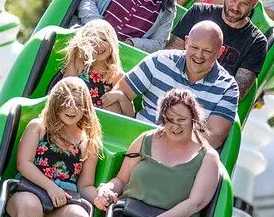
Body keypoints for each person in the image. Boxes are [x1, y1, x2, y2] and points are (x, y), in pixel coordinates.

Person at [91, 89, 221, 217]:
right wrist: (106, 188)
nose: (175, 126)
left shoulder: (208, 157)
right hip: (130, 213)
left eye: (181, 120)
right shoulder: (146, 139)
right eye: (169, 119)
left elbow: (196, 203)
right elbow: (122, 179)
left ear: (193, 119)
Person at [6, 77, 103, 217]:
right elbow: (23, 163)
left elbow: (85, 185)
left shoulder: (88, 142)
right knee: (31, 207)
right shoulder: (39, 127)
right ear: (56, 102)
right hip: (30, 191)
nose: (72, 109)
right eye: (67, 103)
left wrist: (99, 198)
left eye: (78, 104)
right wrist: (50, 187)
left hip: (61, 202)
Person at [101, 22, 239, 149]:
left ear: (220, 52)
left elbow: (214, 137)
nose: (199, 55)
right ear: (186, 42)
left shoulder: (227, 87)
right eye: (194, 47)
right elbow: (118, 94)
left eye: (207, 51)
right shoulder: (160, 60)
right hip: (136, 139)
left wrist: (168, 150)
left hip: (181, 154)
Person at [166, 0, 267, 98]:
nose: (235, 7)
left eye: (244, 3)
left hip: (210, 100)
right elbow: (169, 57)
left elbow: (237, 92)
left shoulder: (257, 42)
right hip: (174, 85)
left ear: (254, 3)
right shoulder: (198, 12)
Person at [54, 19, 133, 116]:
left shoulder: (116, 74)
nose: (99, 45)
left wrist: (121, 96)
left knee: (113, 103)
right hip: (79, 114)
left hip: (103, 119)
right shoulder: (79, 64)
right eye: (93, 41)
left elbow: (130, 115)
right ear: (85, 44)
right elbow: (63, 89)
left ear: (112, 43)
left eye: (104, 40)